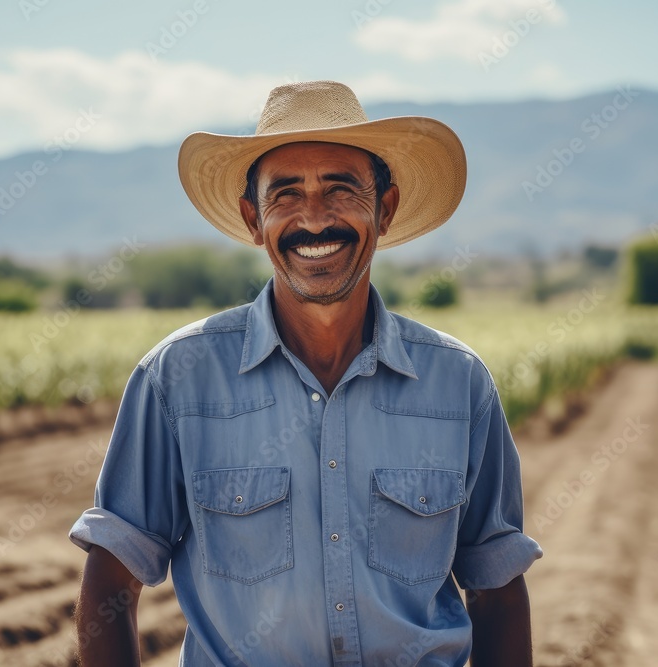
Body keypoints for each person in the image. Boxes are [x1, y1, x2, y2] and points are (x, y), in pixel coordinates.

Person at [69, 80, 542, 666]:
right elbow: (112, 579)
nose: (314, 218)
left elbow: (496, 590)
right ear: (252, 218)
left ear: (385, 210)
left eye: (341, 189)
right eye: (286, 194)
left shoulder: (459, 385)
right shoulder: (179, 379)